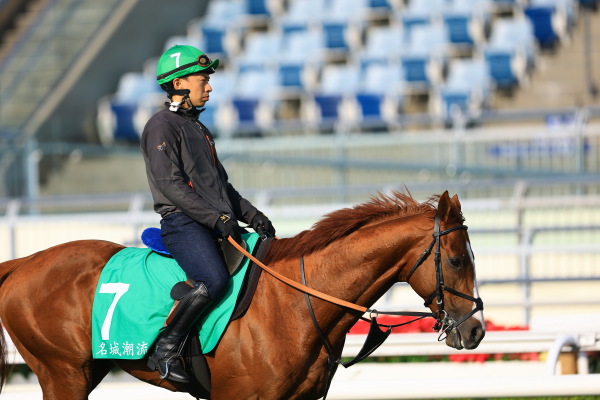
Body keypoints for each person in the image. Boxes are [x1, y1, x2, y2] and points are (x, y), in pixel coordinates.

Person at [140, 44, 276, 383]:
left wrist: (253, 215)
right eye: (203, 80)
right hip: (183, 223)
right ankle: (166, 350)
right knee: (213, 280)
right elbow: (170, 185)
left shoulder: (199, 129)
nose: (210, 87)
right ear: (179, 84)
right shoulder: (161, 126)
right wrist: (217, 218)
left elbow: (222, 187)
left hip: (214, 222)